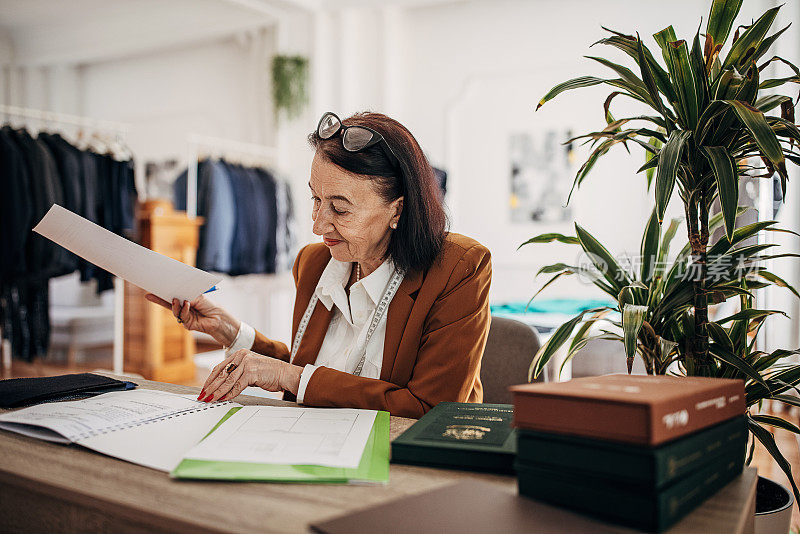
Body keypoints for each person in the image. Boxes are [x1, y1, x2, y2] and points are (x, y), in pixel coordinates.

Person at [146, 111, 491, 418]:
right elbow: (306, 367)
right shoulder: (314, 263)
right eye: (316, 199)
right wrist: (229, 330)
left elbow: (431, 408)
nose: (317, 225)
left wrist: (289, 377)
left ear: (397, 211)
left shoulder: (459, 268)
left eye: (340, 209)